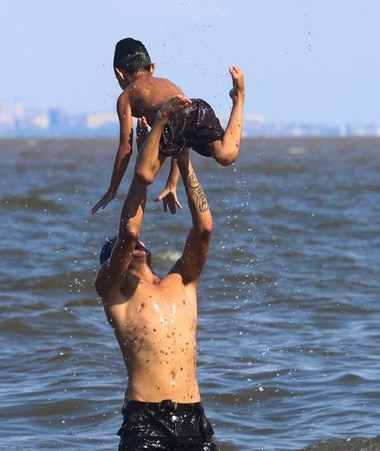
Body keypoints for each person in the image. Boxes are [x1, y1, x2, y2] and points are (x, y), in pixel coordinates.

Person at [95, 99, 218, 449]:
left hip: (194, 418)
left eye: (135, 244)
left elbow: (204, 227)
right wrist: (143, 165)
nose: (131, 245)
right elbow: (129, 232)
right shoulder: (114, 293)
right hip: (145, 422)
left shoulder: (182, 281)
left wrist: (183, 160)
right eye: (117, 250)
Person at [91, 37, 245, 216]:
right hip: (197, 108)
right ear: (152, 68)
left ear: (119, 74)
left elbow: (126, 146)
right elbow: (181, 138)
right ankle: (239, 98)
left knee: (145, 175)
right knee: (226, 156)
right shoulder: (169, 83)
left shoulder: (126, 96)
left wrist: (113, 188)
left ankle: (161, 121)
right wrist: (172, 183)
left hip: (169, 121)